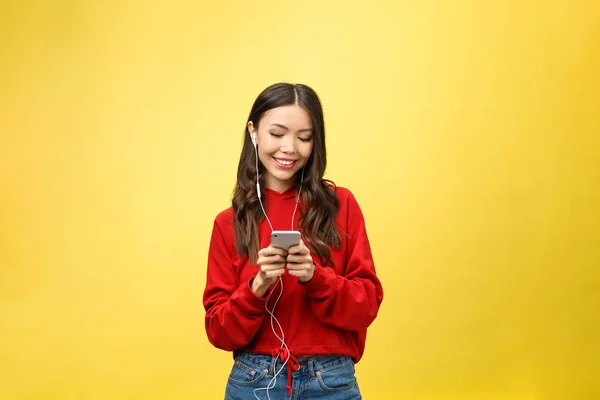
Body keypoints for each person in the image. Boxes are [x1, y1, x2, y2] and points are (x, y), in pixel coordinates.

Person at [203, 82, 384, 399]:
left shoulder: (341, 205)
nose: (290, 148)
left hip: (331, 381)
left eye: (304, 138)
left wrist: (316, 277)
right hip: (255, 380)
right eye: (277, 134)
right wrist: (257, 286)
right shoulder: (228, 223)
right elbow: (218, 332)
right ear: (254, 131)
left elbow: (367, 305)